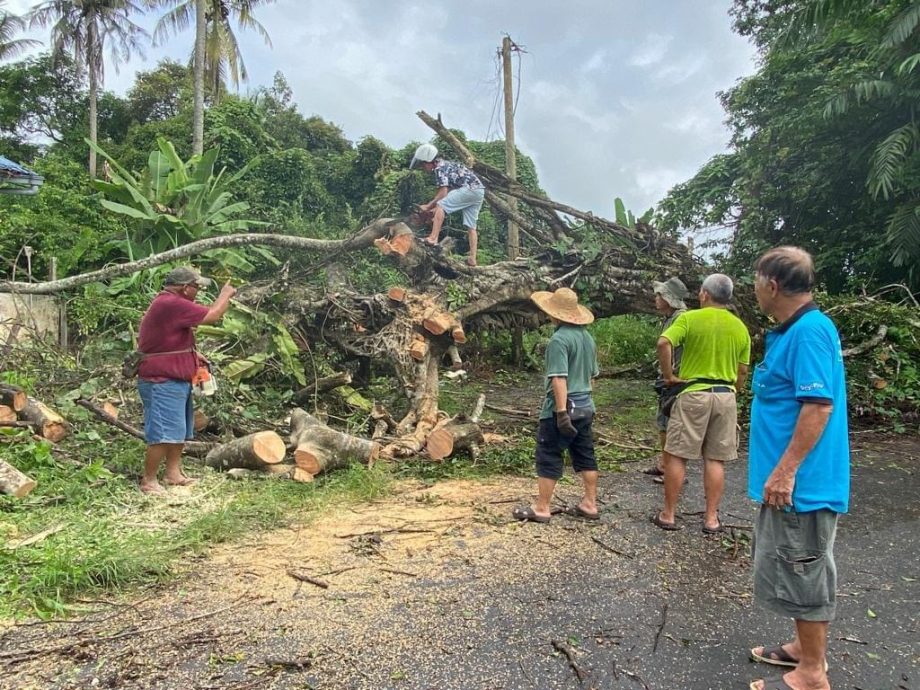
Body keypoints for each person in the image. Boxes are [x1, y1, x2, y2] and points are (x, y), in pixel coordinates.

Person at [747, 247, 848, 690]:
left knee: (804, 566)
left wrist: (786, 470)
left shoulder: (809, 332)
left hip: (803, 484)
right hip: (793, 482)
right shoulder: (796, 330)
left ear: (771, 285)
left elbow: (818, 407)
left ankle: (812, 672)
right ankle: (801, 648)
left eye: (755, 280)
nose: (753, 288)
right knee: (794, 563)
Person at [652, 273, 751, 533]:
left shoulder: (689, 318)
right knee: (715, 459)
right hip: (726, 396)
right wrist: (734, 392)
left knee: (677, 455)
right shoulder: (740, 327)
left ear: (705, 294)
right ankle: (711, 519)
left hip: (694, 393)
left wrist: (669, 376)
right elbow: (742, 371)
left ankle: (669, 514)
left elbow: (664, 342)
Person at [136, 266, 236, 495]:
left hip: (175, 378)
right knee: (162, 433)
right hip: (160, 380)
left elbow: (165, 339)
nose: (198, 292)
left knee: (179, 430)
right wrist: (225, 295)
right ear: (185, 288)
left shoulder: (169, 303)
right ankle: (149, 480)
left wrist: (191, 354)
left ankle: (173, 474)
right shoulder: (171, 303)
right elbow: (213, 315)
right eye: (197, 287)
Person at [512, 287, 600, 523]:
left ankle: (542, 507)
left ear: (555, 314)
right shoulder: (587, 338)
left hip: (564, 407)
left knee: (549, 453)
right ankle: (590, 503)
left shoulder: (559, 340)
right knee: (585, 454)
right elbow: (592, 376)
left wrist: (561, 413)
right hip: (585, 405)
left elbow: (559, 378)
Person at [410, 143, 485, 267]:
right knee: (472, 227)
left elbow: (443, 193)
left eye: (423, 164)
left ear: (429, 161)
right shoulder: (446, 165)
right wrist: (433, 211)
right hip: (479, 191)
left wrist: (428, 206)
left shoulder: (439, 168)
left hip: (469, 189)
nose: (423, 168)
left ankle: (433, 238)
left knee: (441, 205)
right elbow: (449, 194)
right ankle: (472, 258)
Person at [643, 276, 689, 483]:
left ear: (669, 299)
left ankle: (673, 471)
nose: (656, 298)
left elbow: (667, 345)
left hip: (676, 379)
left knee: (669, 425)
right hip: (670, 378)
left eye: (659, 295)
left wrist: (670, 375)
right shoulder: (670, 318)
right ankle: (665, 464)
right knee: (664, 423)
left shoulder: (681, 318)